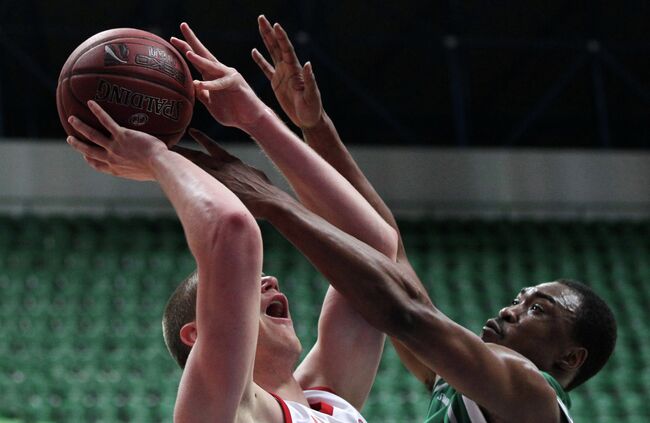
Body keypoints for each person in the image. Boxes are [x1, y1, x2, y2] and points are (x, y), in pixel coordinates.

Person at [176, 16, 618, 423]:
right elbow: (388, 252)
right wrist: (315, 128)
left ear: (569, 359)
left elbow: (402, 310)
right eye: (521, 299)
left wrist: (273, 199)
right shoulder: (461, 387)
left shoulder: (531, 397)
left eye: (537, 310)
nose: (509, 310)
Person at [67, 20, 400, 423]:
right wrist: (156, 158)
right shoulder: (221, 412)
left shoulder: (328, 401)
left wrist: (255, 116)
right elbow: (232, 232)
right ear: (197, 334)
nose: (269, 280)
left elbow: (374, 249)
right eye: (245, 287)